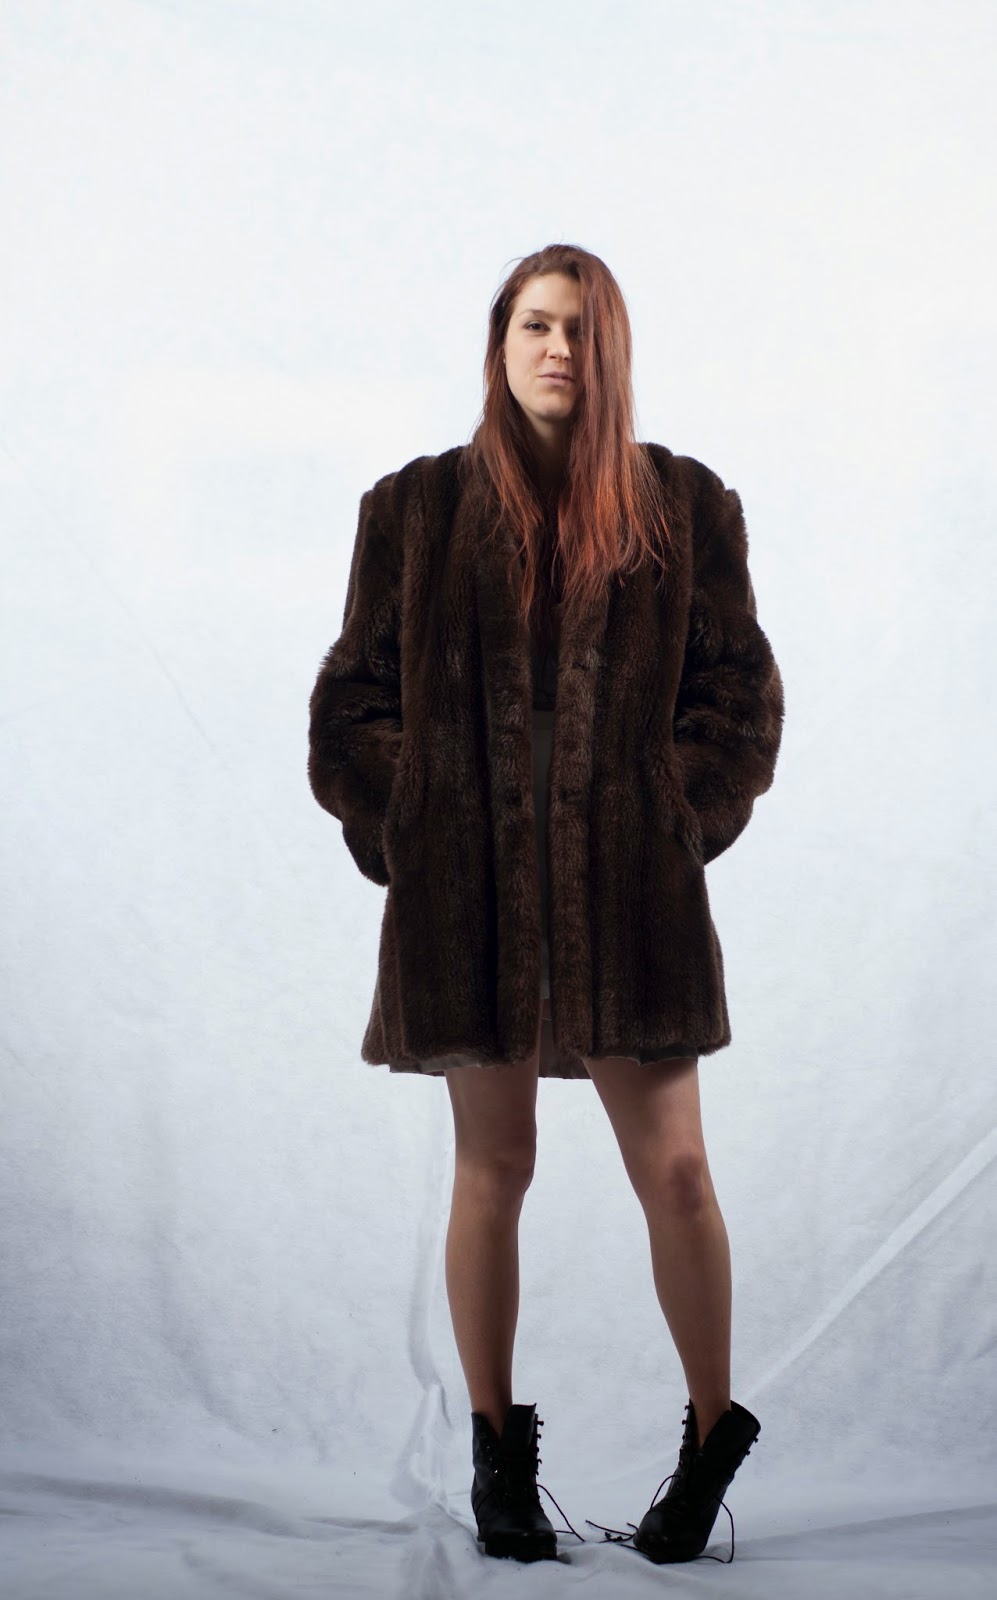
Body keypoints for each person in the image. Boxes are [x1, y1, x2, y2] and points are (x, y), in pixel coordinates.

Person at [307, 244, 785, 1565]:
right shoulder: (412, 509)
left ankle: (708, 1447)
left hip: (630, 894)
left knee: (676, 1171)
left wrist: (666, 815)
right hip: (468, 897)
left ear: (610, 349)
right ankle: (494, 1461)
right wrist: (415, 823)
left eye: (579, 328)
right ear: (498, 341)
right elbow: (353, 702)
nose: (557, 348)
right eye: (534, 324)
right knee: (493, 1166)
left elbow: (739, 695)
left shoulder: (683, 505)